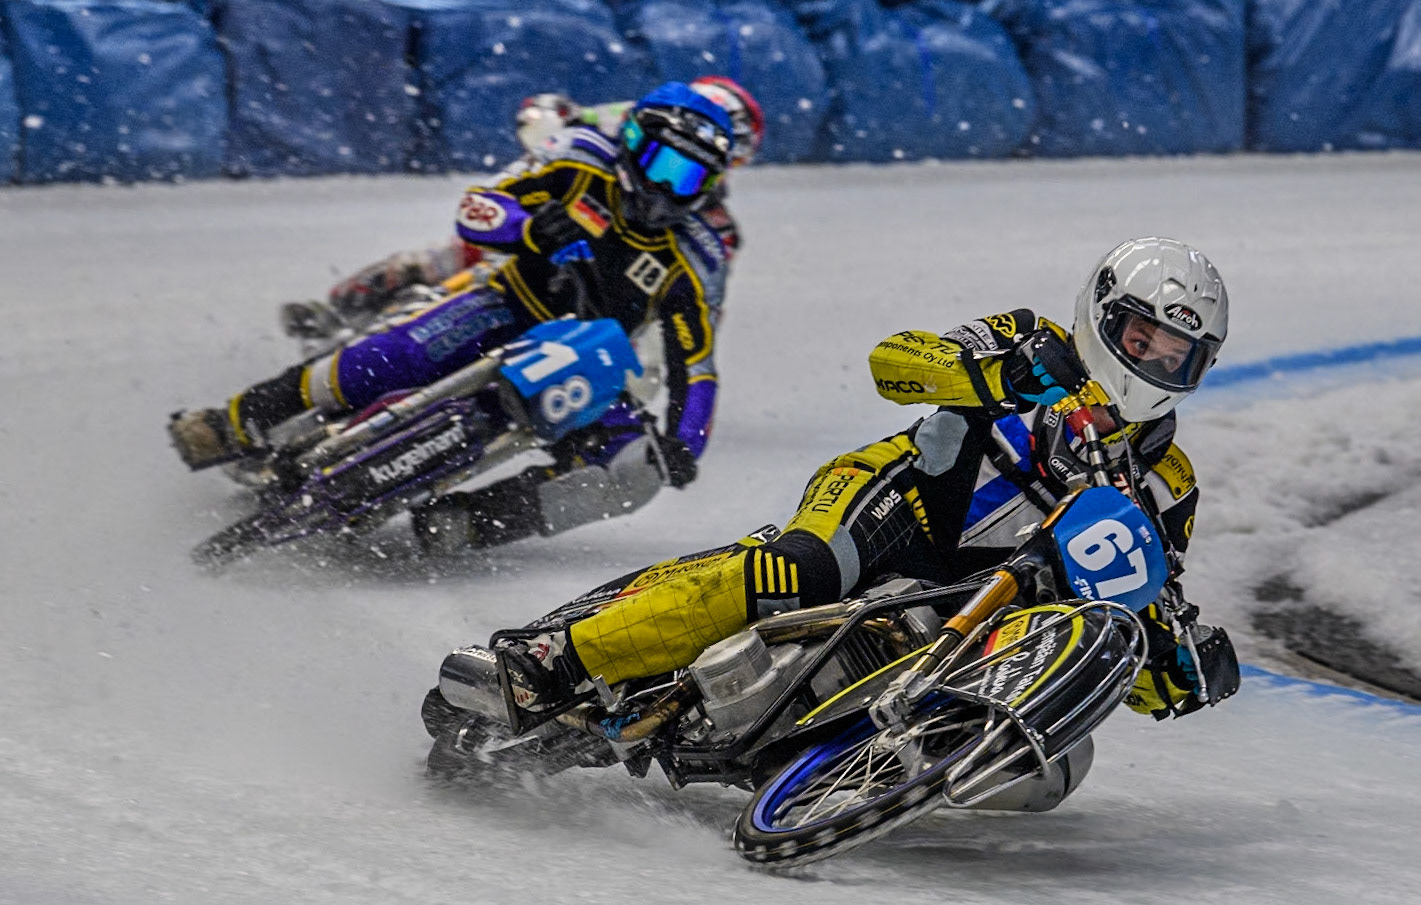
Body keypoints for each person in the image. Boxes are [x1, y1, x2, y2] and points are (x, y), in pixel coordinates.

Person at [492, 237, 1240, 729]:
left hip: (985, 602)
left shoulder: (1170, 482)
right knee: (798, 570)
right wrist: (998, 376)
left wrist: (1174, 665)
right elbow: (896, 363)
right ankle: (558, 659)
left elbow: (1137, 601)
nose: (1152, 361)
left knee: (1057, 752)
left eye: (1175, 354)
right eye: (1141, 337)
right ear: (1102, 315)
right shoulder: (1029, 336)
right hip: (899, 497)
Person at [169, 81, 737, 551]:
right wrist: (528, 228)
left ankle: (470, 522)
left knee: (634, 474)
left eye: (687, 179)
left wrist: (686, 441)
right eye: (663, 165)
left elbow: (697, 361)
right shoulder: (580, 160)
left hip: (589, 360)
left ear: (708, 189)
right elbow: (479, 206)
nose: (666, 189)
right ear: (634, 142)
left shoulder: (694, 256)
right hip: (505, 306)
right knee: (388, 359)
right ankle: (235, 423)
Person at [283, 76, 763, 339]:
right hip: (562, 219)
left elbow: (705, 302)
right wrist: (548, 118)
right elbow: (557, 118)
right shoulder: (629, 118)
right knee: (452, 252)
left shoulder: (716, 224)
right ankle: (340, 308)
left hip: (602, 285)